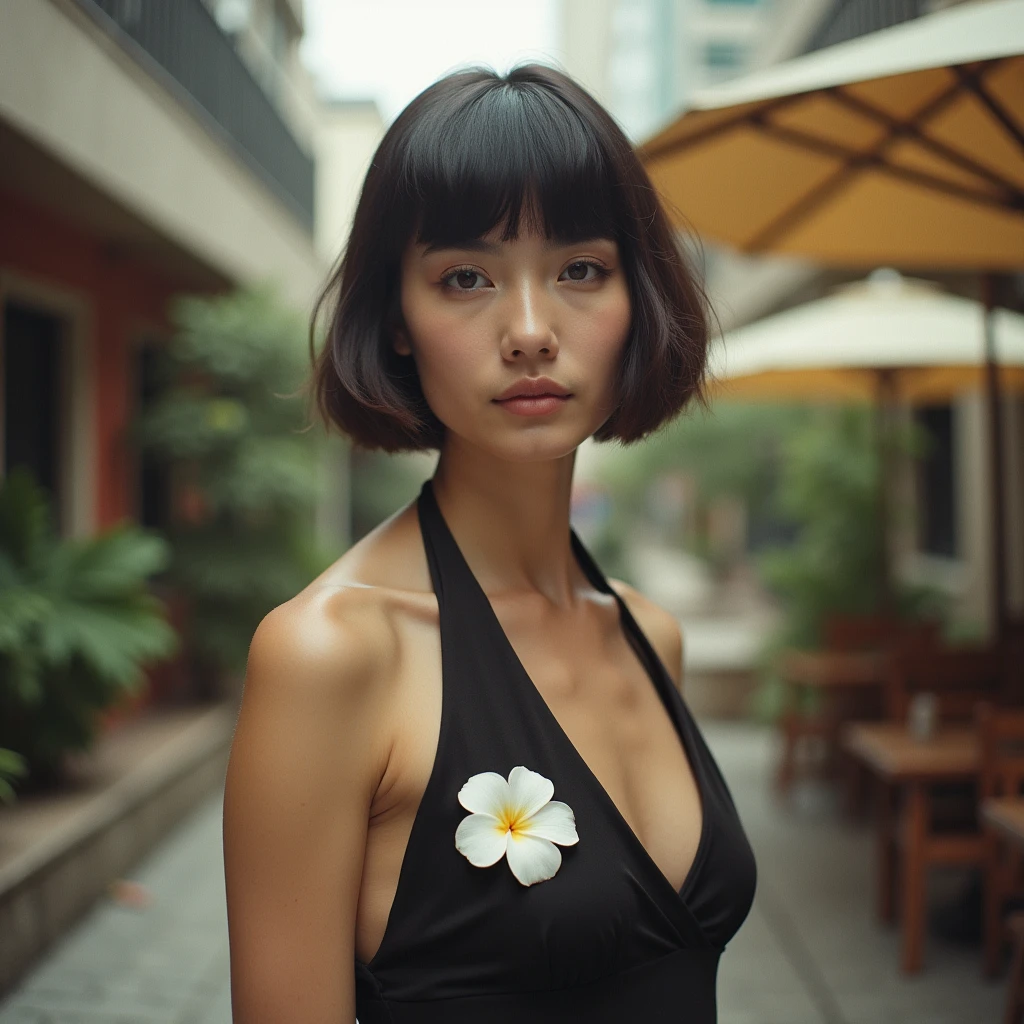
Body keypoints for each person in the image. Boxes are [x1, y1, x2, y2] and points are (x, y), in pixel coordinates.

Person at [222, 63, 756, 1023]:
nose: (529, 330)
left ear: (640, 298)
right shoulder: (334, 655)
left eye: (580, 270)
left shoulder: (650, 633)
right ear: (395, 319)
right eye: (465, 278)